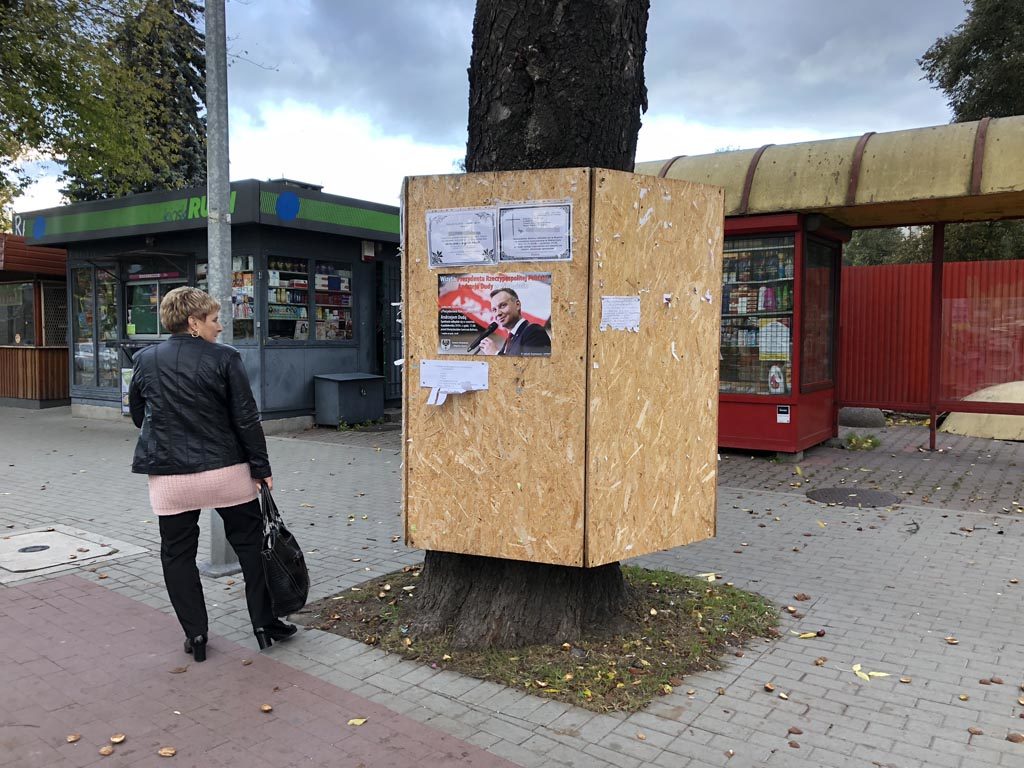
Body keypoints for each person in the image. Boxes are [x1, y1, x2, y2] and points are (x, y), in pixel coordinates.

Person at [129, 286, 296, 661]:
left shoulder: (144, 358)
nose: (220, 327)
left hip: (171, 479)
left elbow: (140, 416)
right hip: (225, 472)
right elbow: (245, 418)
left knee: (176, 555)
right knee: (253, 548)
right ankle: (265, 623)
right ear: (193, 322)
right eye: (215, 319)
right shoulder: (226, 358)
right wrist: (262, 468)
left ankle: (197, 635)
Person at [478, 287, 551, 356]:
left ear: (517, 305)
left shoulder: (534, 331)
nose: (498, 313)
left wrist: (495, 353)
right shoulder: (509, 340)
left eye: (503, 305)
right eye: (494, 310)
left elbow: (533, 367)